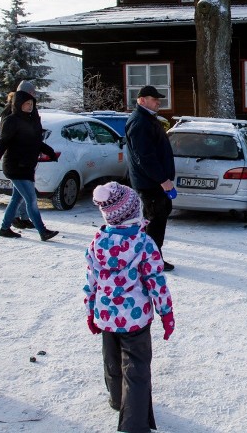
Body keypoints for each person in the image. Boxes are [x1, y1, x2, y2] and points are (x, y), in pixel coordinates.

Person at [85, 182, 175, 433]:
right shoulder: (144, 244)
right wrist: (166, 313)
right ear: (134, 211)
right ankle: (133, 425)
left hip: (105, 315)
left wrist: (90, 310)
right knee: (136, 367)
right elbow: (156, 282)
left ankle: (117, 399)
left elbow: (91, 280)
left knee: (112, 359)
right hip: (134, 319)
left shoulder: (97, 242)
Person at [0, 90, 59, 241]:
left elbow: (36, 142)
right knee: (31, 200)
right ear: (19, 104)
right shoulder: (11, 120)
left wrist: (50, 152)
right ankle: (42, 231)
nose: (29, 106)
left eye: (31, 104)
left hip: (27, 166)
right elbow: (3, 143)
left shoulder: (31, 120)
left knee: (16, 199)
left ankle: (4, 228)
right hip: (15, 166)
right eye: (26, 104)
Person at [125, 86, 176, 272]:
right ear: (141, 100)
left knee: (156, 220)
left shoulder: (147, 119)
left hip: (153, 182)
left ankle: (150, 257)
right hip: (150, 184)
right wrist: (163, 180)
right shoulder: (140, 122)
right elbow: (145, 157)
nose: (158, 102)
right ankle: (151, 261)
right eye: (154, 99)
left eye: (158, 99)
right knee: (154, 222)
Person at [0, 82, 39, 229]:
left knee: (20, 193)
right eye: (32, 93)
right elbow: (7, 136)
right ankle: (12, 221)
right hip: (17, 158)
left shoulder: (27, 109)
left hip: (26, 158)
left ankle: (22, 217)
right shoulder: (11, 112)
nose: (34, 96)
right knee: (25, 195)